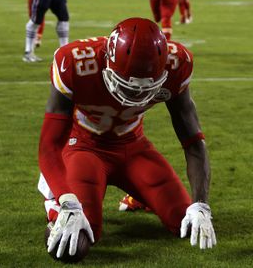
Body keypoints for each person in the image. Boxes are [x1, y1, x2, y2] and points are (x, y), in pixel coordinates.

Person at [38, 18, 216, 261]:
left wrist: (201, 205)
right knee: (76, 243)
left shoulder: (177, 64)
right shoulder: (76, 63)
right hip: (84, 148)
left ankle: (140, 195)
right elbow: (49, 147)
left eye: (146, 88)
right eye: (129, 87)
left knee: (185, 222)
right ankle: (54, 202)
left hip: (134, 148)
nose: (137, 95)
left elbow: (194, 141)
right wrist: (68, 202)